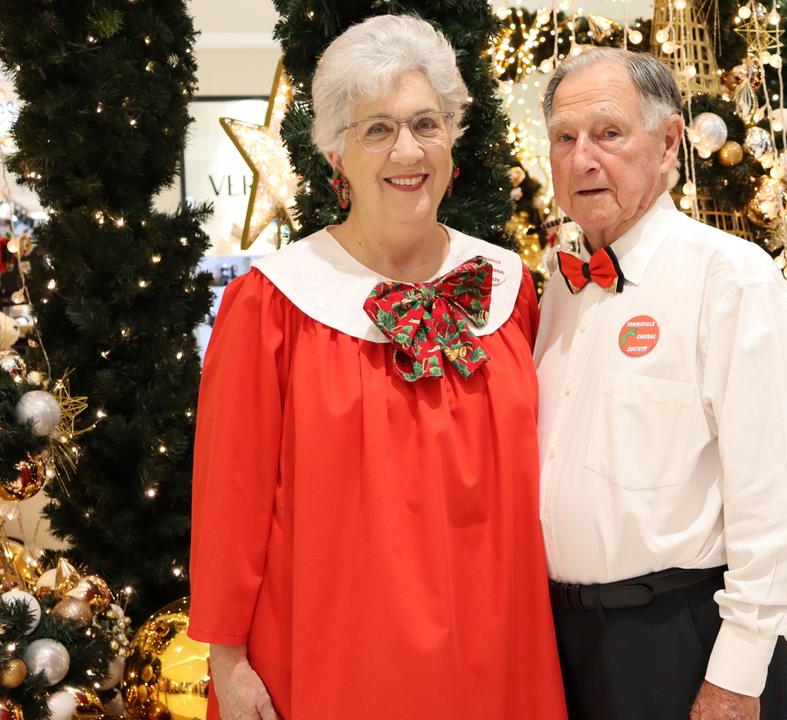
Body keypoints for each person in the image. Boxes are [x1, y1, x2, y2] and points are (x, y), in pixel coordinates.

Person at [188, 15, 566, 720]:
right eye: (377, 129)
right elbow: (228, 501)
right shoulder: (272, 304)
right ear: (336, 153)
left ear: (454, 137)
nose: (407, 150)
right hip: (336, 655)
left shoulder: (510, 288)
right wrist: (227, 663)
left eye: (426, 123)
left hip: (501, 647)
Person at [534, 47, 787, 720]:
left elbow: (777, 498)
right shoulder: (558, 291)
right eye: (564, 138)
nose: (583, 158)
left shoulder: (732, 280)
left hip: (681, 643)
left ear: (669, 142)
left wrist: (736, 674)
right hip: (563, 646)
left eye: (608, 133)